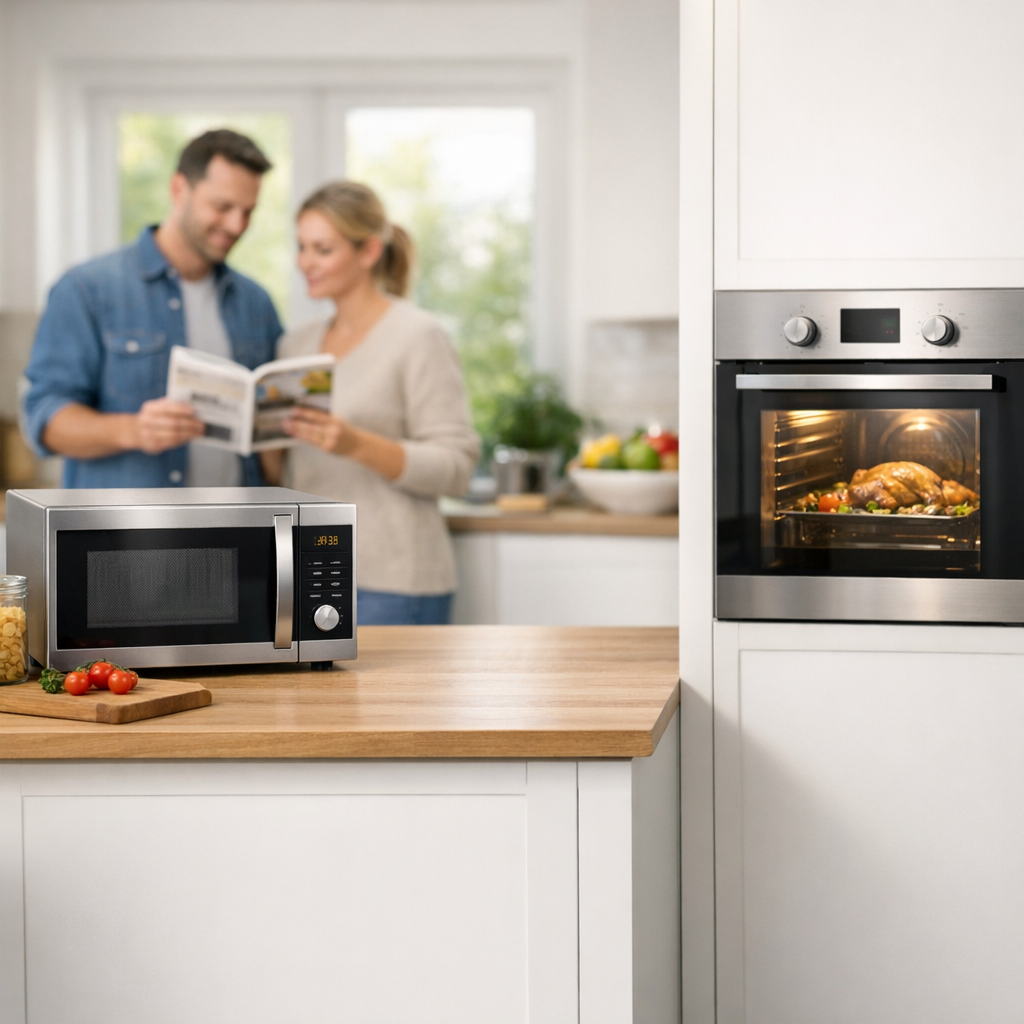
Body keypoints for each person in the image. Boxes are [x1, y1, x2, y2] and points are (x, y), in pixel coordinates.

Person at [262, 181, 480, 625]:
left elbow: (456, 467)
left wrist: (355, 443)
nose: (305, 262)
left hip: (395, 582)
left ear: (368, 252)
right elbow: (287, 472)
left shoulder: (417, 336)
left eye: (322, 249)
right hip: (306, 573)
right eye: (302, 247)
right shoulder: (295, 345)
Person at [21, 129, 283, 488]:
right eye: (222, 207)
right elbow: (44, 420)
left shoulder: (256, 302)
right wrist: (134, 430)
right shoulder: (87, 289)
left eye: (248, 212)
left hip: (234, 534)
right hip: (127, 537)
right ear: (179, 189)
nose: (236, 225)